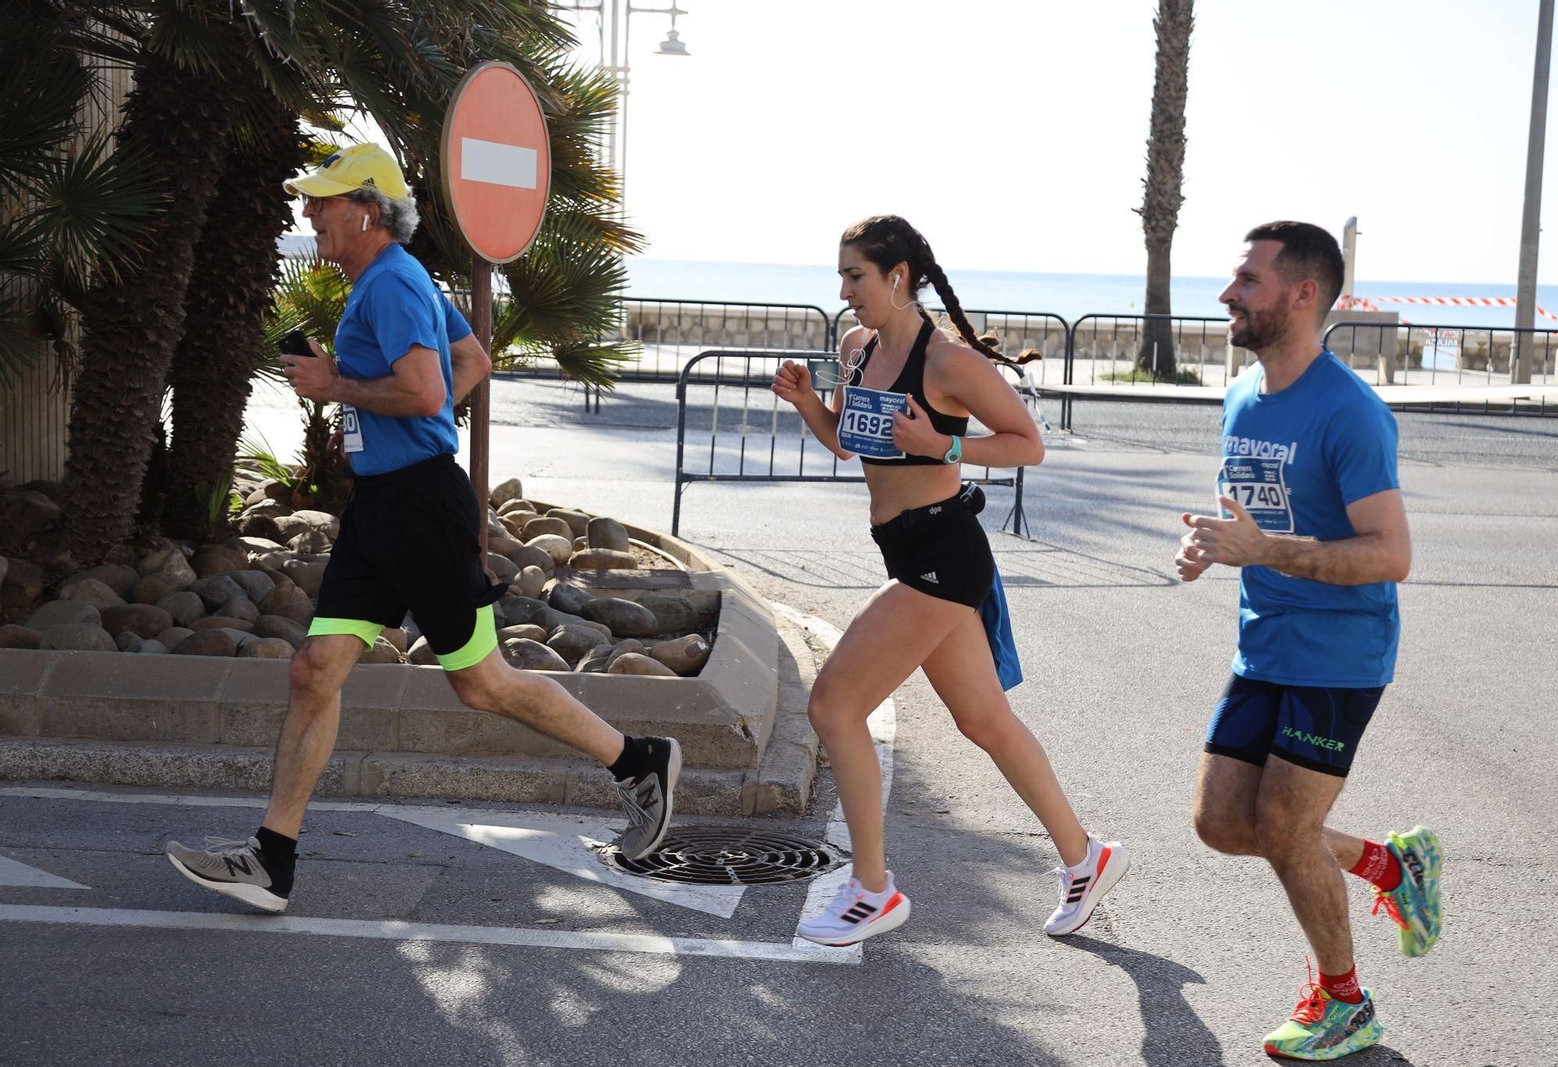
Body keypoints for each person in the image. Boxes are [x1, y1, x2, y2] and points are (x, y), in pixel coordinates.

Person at [166, 144, 680, 913]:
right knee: (315, 670)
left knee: (482, 683)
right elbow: (473, 356)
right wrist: (404, 413)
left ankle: (638, 760)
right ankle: (273, 859)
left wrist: (335, 384)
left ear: (366, 211)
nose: (310, 214)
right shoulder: (395, 281)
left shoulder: (393, 283)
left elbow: (428, 386)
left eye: (323, 201)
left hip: (421, 511)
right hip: (382, 507)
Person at [773, 215, 1127, 947]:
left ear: (897, 276)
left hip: (944, 555)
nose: (843, 292)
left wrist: (945, 441)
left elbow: (1030, 443)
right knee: (985, 721)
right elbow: (848, 441)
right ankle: (1085, 855)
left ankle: (872, 889)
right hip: (903, 553)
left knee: (834, 705)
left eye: (855, 277)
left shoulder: (951, 365)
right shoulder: (857, 348)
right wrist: (810, 403)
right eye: (841, 276)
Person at [1178, 221, 1442, 1059]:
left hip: (1339, 652)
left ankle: (1345, 1000)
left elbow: (1390, 555)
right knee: (1222, 821)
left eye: (1248, 281)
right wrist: (1213, 545)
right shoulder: (1240, 398)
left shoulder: (1351, 413)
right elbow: (1256, 511)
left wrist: (1266, 551)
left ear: (1302, 295)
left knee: (1287, 829)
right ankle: (1388, 866)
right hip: (1264, 642)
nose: (1228, 294)